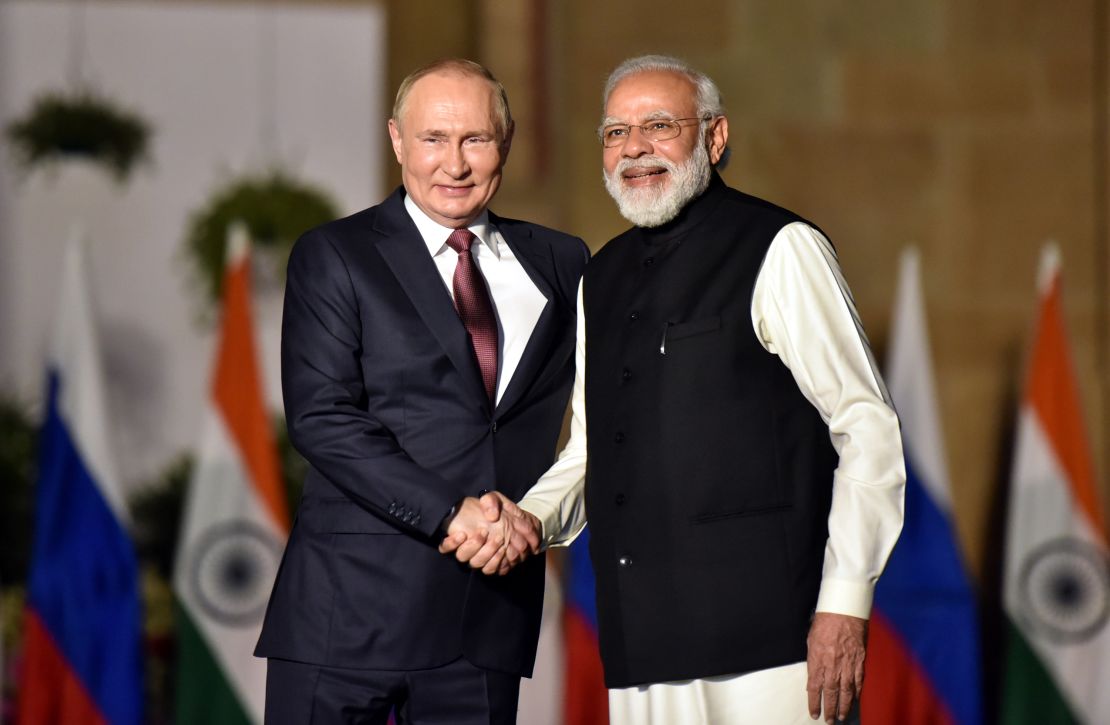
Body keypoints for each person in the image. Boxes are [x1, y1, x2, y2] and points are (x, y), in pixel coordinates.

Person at [444, 55, 906, 724]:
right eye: (615, 132)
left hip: (772, 645)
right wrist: (528, 520)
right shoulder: (597, 280)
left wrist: (845, 599)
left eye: (659, 125)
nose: (635, 148)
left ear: (715, 139)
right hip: (640, 644)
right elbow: (586, 455)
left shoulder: (781, 247)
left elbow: (866, 425)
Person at [255, 58, 589, 725]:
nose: (454, 163)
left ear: (508, 140)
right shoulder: (337, 253)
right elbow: (323, 416)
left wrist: (534, 522)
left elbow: (595, 414)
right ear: (398, 140)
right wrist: (450, 513)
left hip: (488, 618)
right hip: (347, 618)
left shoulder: (563, 261)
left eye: (475, 139)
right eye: (434, 138)